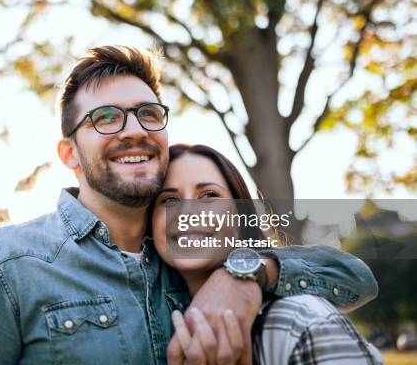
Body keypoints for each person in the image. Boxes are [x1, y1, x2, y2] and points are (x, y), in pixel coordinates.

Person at [0, 46, 378, 364]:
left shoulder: (187, 259)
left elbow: (354, 278)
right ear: (70, 155)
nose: (133, 130)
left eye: (149, 113)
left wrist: (247, 272)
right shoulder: (7, 265)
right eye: (105, 118)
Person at [152, 144, 383, 364]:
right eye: (169, 199)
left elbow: (359, 274)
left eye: (209, 195)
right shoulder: (148, 319)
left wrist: (244, 272)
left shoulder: (301, 319)